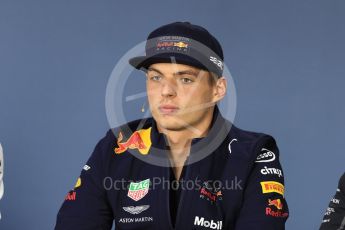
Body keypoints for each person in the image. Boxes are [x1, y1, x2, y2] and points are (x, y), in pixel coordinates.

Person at [55, 21, 289, 229]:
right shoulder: (118, 145)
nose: (166, 91)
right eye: (156, 77)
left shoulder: (254, 154)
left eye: (185, 79)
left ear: (218, 89)